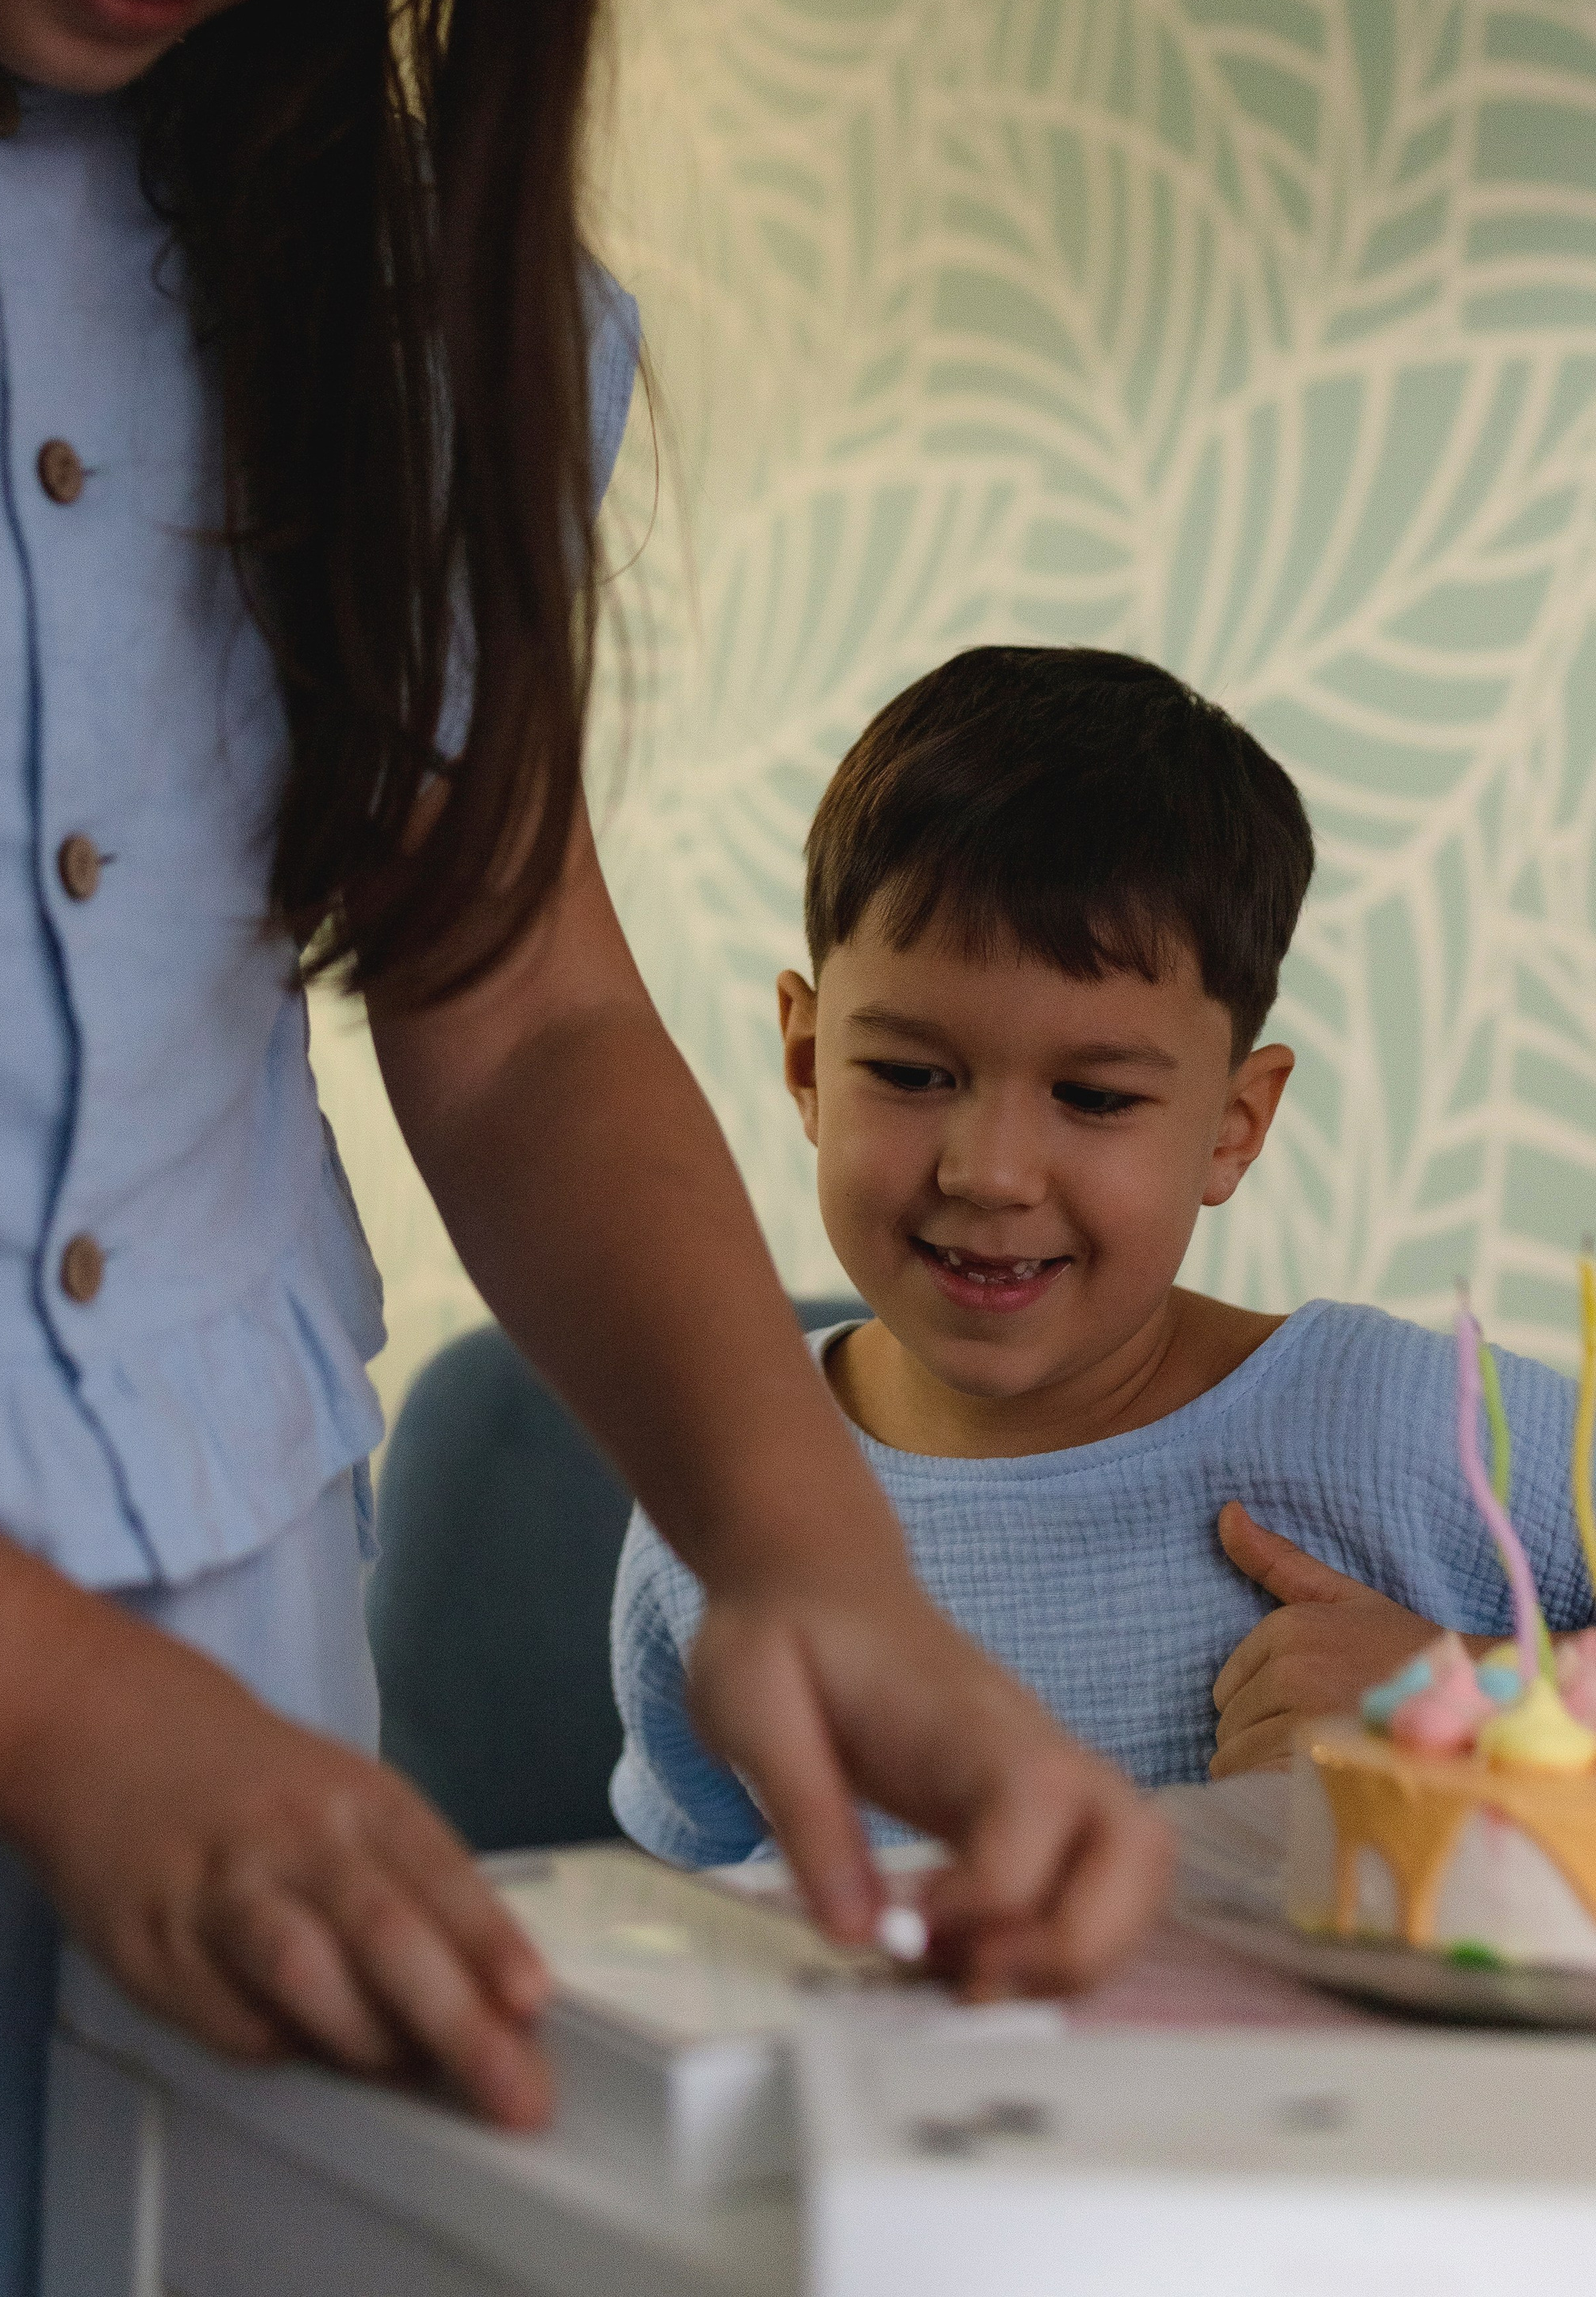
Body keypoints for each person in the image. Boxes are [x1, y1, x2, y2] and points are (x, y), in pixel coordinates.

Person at [0, 0, 1170, 2290]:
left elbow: (518, 1004)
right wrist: (65, 1718)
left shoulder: (392, 288)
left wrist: (812, 1558)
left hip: (247, 1711)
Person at [611, 647, 1595, 1865]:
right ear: (807, 1060)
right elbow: (695, 1942)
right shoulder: (716, 1495)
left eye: (1093, 1095)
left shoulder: (1422, 1430)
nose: (991, 1170)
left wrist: (1481, 1702)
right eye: (912, 1074)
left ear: (1232, 1129)